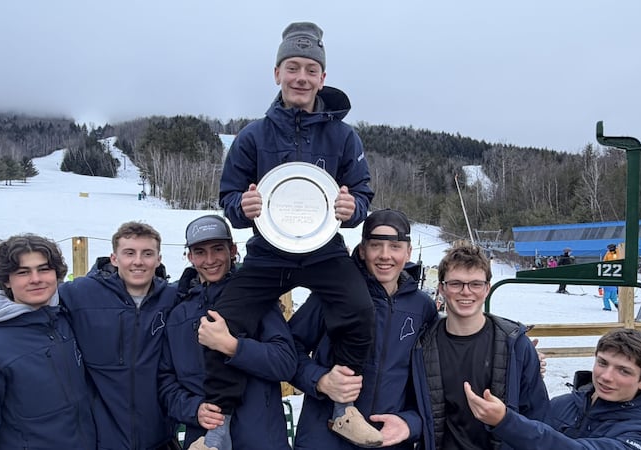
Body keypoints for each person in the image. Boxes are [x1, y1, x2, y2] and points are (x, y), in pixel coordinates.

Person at [198, 21, 377, 450]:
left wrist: (354, 210)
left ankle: (342, 410)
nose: (301, 77)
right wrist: (243, 207)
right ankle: (218, 428)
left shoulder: (343, 135)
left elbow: (363, 195)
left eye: (311, 69)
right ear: (276, 73)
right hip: (268, 253)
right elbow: (228, 199)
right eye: (292, 67)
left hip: (323, 250)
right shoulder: (252, 136)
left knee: (359, 310)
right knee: (217, 321)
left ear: (323, 78)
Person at [0, 222, 180, 450]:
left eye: (147, 253)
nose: (138, 261)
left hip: (155, 436)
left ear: (159, 259)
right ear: (114, 258)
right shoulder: (82, 295)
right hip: (107, 439)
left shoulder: (173, 297)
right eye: (23, 272)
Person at [290, 209, 438, 449]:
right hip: (325, 439)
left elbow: (430, 383)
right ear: (361, 250)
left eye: (395, 247)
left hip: (388, 440)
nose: (385, 256)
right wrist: (320, 380)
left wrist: (411, 423)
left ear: (408, 252)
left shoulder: (423, 308)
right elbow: (287, 349)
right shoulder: (334, 295)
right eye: (375, 246)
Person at [0, 234, 96, 449]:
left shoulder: (65, 320)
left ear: (56, 274)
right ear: (6, 279)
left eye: (44, 269)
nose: (36, 279)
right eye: (23, 272)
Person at [158, 215, 296, 450]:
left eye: (218, 249)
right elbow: (165, 381)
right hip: (204, 440)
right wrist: (194, 409)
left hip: (261, 439)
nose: (210, 260)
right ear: (190, 256)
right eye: (200, 252)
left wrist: (234, 347)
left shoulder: (256, 299)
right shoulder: (178, 313)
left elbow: (286, 362)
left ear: (232, 250)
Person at [413, 245, 549, 449]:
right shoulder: (421, 345)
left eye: (475, 284)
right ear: (441, 288)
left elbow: (538, 417)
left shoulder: (515, 345)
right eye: (456, 283)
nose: (466, 292)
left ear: (487, 288)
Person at [464, 328, 641, 449]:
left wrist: (505, 420)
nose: (606, 377)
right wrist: (522, 370)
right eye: (603, 363)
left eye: (623, 371)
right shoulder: (562, 405)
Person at [600, 244, 619, 311]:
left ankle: (607, 307)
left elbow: (601, 280)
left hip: (615, 269)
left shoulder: (618, 252)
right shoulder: (608, 253)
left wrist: (600, 287)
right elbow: (605, 260)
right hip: (613, 287)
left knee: (606, 298)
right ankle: (617, 303)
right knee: (613, 298)